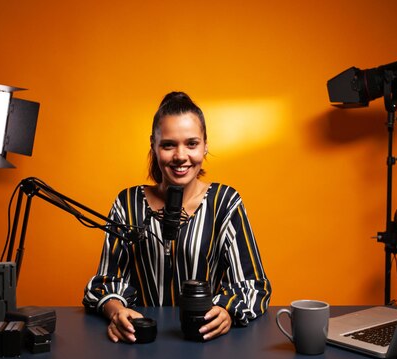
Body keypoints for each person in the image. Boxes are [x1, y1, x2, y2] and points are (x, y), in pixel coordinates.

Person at [83, 91, 271, 342]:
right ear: (153, 145)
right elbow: (105, 281)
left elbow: (253, 285)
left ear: (205, 145)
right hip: (142, 340)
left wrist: (227, 311)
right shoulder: (127, 204)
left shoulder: (225, 202)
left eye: (191, 144)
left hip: (204, 340)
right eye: (169, 144)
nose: (181, 156)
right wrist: (117, 311)